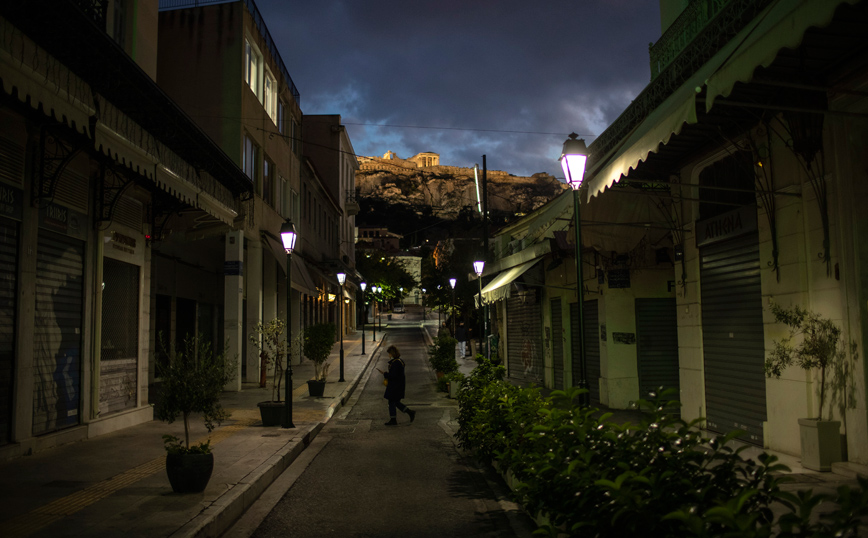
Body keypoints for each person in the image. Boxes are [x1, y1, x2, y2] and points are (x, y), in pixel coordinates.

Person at [376, 345, 416, 426]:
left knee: (392, 401)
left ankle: (394, 419)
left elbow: (394, 375)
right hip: (398, 385)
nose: (389, 355)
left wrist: (385, 374)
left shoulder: (396, 363)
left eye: (389, 354)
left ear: (392, 353)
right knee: (396, 402)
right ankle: (409, 412)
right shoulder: (399, 361)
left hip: (395, 386)